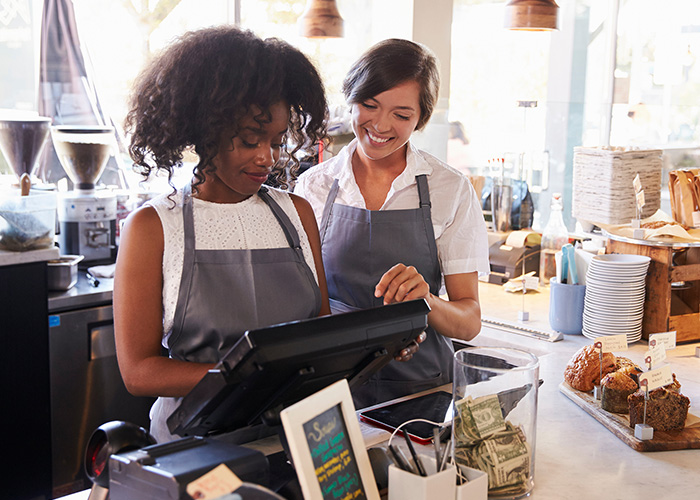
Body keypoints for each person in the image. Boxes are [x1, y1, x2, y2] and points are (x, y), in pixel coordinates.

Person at [113, 26, 331, 443]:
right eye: (251, 140)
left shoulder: (296, 213)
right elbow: (139, 371)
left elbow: (319, 333)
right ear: (205, 129)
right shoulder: (154, 227)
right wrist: (248, 379)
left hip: (294, 437)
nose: (268, 157)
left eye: (277, 140)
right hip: (194, 445)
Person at [294, 39, 490, 408]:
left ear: (420, 119)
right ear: (351, 98)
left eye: (401, 115)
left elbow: (469, 322)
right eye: (369, 105)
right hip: (332, 386)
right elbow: (301, 304)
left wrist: (426, 302)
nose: (380, 125)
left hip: (422, 388)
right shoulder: (313, 186)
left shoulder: (450, 189)